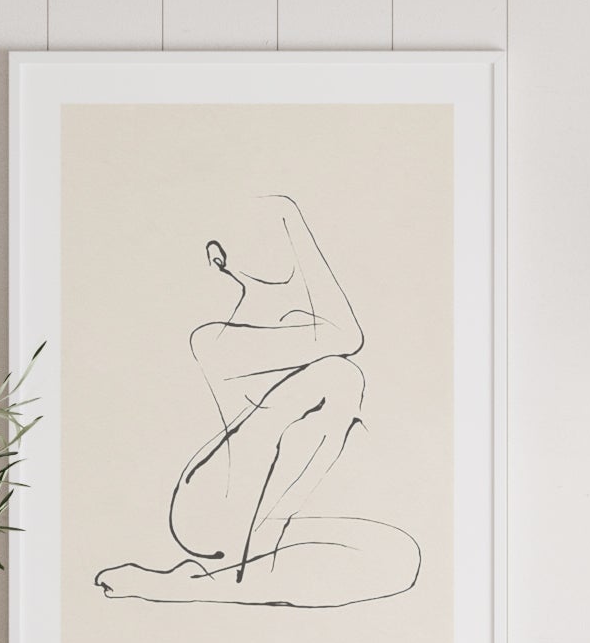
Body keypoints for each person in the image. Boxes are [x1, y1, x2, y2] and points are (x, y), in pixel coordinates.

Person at [95, 195, 420, 609]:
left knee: (400, 557)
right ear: (219, 257)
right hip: (212, 504)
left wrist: (291, 226)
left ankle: (203, 580)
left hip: (266, 513)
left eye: (282, 234)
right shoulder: (214, 339)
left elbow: (340, 334)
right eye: (260, 235)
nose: (278, 245)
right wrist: (291, 219)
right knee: (341, 376)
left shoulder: (305, 325)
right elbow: (348, 335)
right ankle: (228, 576)